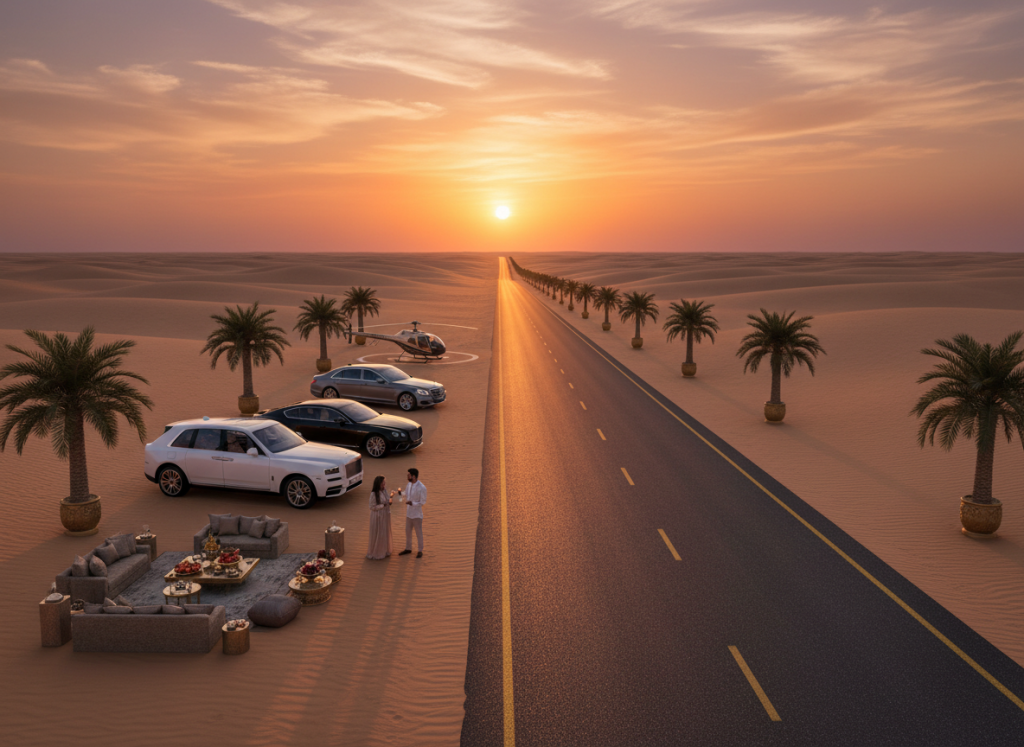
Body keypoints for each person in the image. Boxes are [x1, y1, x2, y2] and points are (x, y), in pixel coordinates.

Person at [398, 467, 426, 558]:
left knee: (418, 533)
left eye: (409, 475)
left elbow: (422, 502)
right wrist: (399, 493)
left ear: (413, 476)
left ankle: (420, 551)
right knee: (408, 531)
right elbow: (405, 493)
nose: (407, 476)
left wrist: (412, 503)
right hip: (409, 514)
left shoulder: (422, 487)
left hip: (417, 515)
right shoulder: (409, 485)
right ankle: (408, 548)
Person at [365, 475, 393, 560]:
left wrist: (390, 499)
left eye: (384, 483)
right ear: (378, 484)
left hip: (384, 516)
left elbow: (387, 499)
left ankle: (384, 550)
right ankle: (377, 552)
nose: (384, 484)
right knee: (378, 534)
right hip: (377, 517)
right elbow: (372, 507)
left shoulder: (384, 491)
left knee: (383, 533)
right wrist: (383, 505)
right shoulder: (373, 494)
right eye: (383, 483)